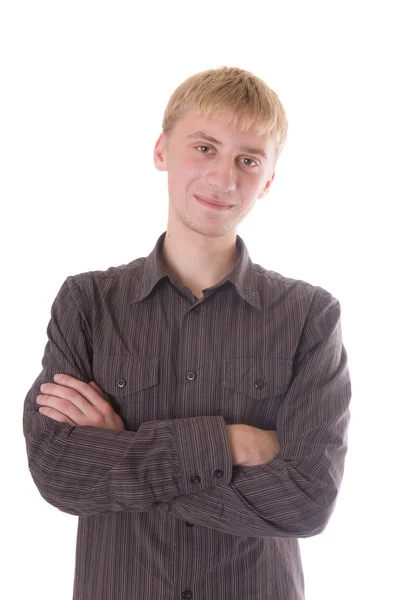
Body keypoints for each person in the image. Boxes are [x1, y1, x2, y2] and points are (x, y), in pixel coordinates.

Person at [23, 66, 351, 600]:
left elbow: (308, 501)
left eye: (248, 160)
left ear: (267, 181)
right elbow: (58, 471)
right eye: (204, 148)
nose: (224, 178)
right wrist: (228, 443)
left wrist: (122, 452)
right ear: (161, 151)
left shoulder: (310, 316)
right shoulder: (87, 303)